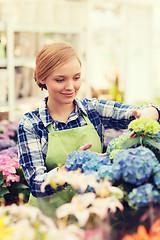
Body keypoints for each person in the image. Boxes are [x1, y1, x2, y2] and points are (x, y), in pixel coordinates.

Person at [17, 41, 160, 217]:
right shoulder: (31, 123)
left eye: (76, 78)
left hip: (91, 215)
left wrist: (148, 115)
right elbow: (36, 184)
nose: (71, 87)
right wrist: (72, 166)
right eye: (60, 79)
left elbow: (145, 111)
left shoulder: (93, 110)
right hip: (47, 220)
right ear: (42, 79)